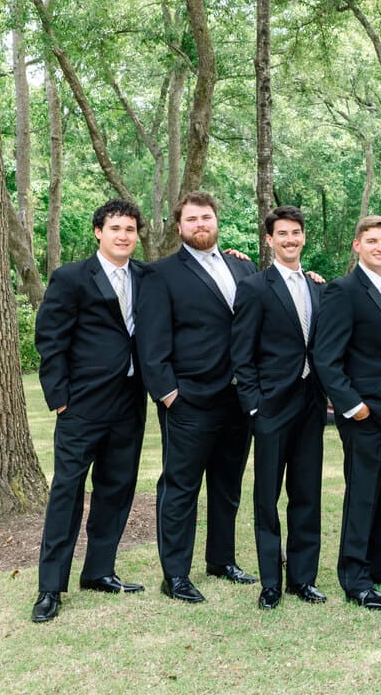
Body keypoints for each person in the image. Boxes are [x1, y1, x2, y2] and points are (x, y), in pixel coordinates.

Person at [31, 200, 149, 623]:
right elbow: (50, 339)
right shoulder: (71, 278)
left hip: (130, 402)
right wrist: (59, 397)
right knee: (67, 492)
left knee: (116, 490)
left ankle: (99, 571)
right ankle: (50, 588)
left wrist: (233, 259)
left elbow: (191, 280)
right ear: (98, 231)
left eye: (130, 229)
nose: (123, 235)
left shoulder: (146, 276)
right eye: (115, 228)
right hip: (81, 405)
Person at [137, 191, 258, 603]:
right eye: (192, 219)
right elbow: (151, 343)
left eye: (206, 217)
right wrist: (169, 394)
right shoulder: (161, 274)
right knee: (180, 487)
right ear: (179, 226)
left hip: (238, 397)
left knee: (227, 485)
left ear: (216, 220)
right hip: (189, 398)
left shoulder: (243, 267)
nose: (200, 224)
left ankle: (221, 560)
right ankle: (175, 575)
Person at [312, 215, 381, 611]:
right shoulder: (343, 290)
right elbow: (326, 357)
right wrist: (353, 407)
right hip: (365, 413)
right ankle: (355, 577)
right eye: (372, 241)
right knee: (363, 495)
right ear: (357, 245)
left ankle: (380, 566)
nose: (380, 247)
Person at [230, 206, 327, 610]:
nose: (291, 239)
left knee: (306, 494)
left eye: (297, 233)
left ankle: (302, 578)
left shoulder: (320, 287)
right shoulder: (255, 287)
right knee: (267, 497)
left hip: (311, 405)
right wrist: (253, 406)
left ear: (304, 237)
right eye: (282, 234)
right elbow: (241, 353)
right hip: (270, 406)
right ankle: (271, 581)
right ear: (270, 240)